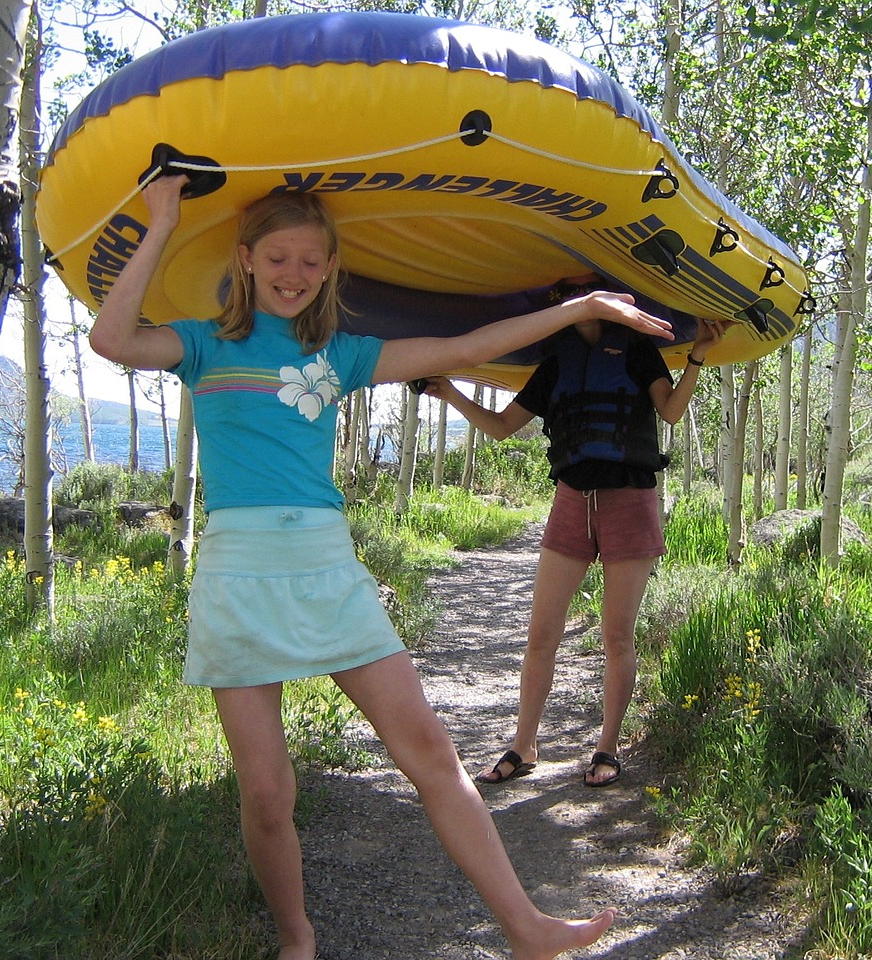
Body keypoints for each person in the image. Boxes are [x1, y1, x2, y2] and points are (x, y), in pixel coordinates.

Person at [89, 173, 676, 960]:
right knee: (267, 794)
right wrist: (161, 218)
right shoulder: (202, 345)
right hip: (237, 574)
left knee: (431, 752)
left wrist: (582, 309)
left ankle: (526, 928)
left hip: (327, 568)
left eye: (310, 261)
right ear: (247, 260)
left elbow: (468, 349)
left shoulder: (341, 356)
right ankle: (298, 942)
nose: (293, 275)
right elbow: (112, 340)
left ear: (330, 269)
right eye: (278, 258)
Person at [423, 279, 728, 789]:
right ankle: (524, 745)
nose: (576, 300)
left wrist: (696, 354)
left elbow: (670, 411)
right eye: (566, 294)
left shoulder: (637, 350)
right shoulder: (557, 362)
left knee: (616, 636)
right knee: (541, 634)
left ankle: (607, 746)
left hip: (629, 499)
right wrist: (449, 390)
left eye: (589, 289)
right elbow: (501, 427)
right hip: (571, 501)